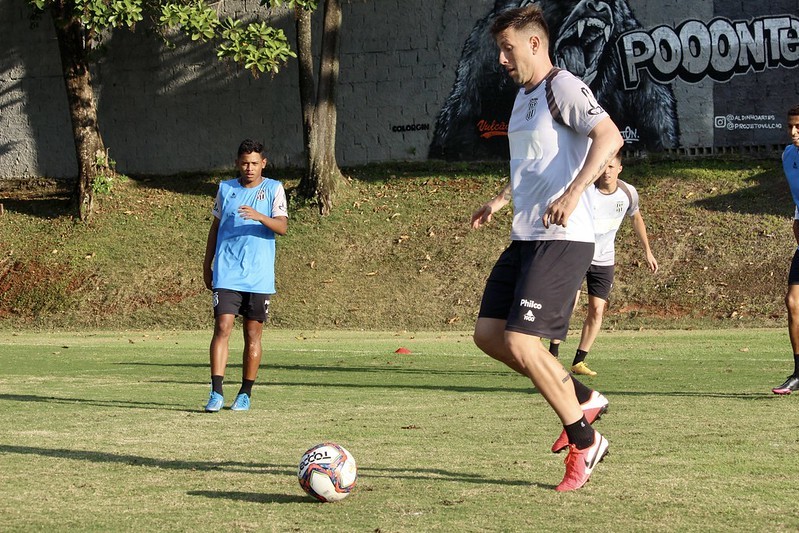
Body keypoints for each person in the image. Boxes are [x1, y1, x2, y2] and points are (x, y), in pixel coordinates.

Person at [470, 6, 623, 491]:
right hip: (526, 236)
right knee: (489, 335)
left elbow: (610, 136)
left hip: (563, 237)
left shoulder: (563, 86)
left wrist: (575, 192)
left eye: (507, 48)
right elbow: (532, 164)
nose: (501, 59)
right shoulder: (523, 98)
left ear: (534, 44)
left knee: (522, 342)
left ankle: (585, 440)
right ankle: (584, 398)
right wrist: (499, 201)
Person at [202, 139, 288, 412]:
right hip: (227, 271)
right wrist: (207, 265)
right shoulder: (226, 189)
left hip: (258, 275)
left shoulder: (273, 189)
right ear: (237, 163)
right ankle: (216, 392)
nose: (249, 168)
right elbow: (215, 228)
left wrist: (259, 216)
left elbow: (282, 227)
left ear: (263, 163)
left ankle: (245, 393)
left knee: (252, 334)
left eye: (254, 163)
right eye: (244, 163)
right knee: (222, 327)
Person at [557, 152, 659, 377]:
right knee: (569, 305)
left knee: (597, 310)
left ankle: (579, 361)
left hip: (604, 260)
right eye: (604, 166)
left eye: (611, 167)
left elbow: (636, 218)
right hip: (578, 255)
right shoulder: (586, 191)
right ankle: (552, 355)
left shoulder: (628, 193)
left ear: (619, 169)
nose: (607, 171)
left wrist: (647, 251)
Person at [773, 104, 799, 395]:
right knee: (793, 302)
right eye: (790, 126)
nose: (793, 132)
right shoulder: (788, 155)